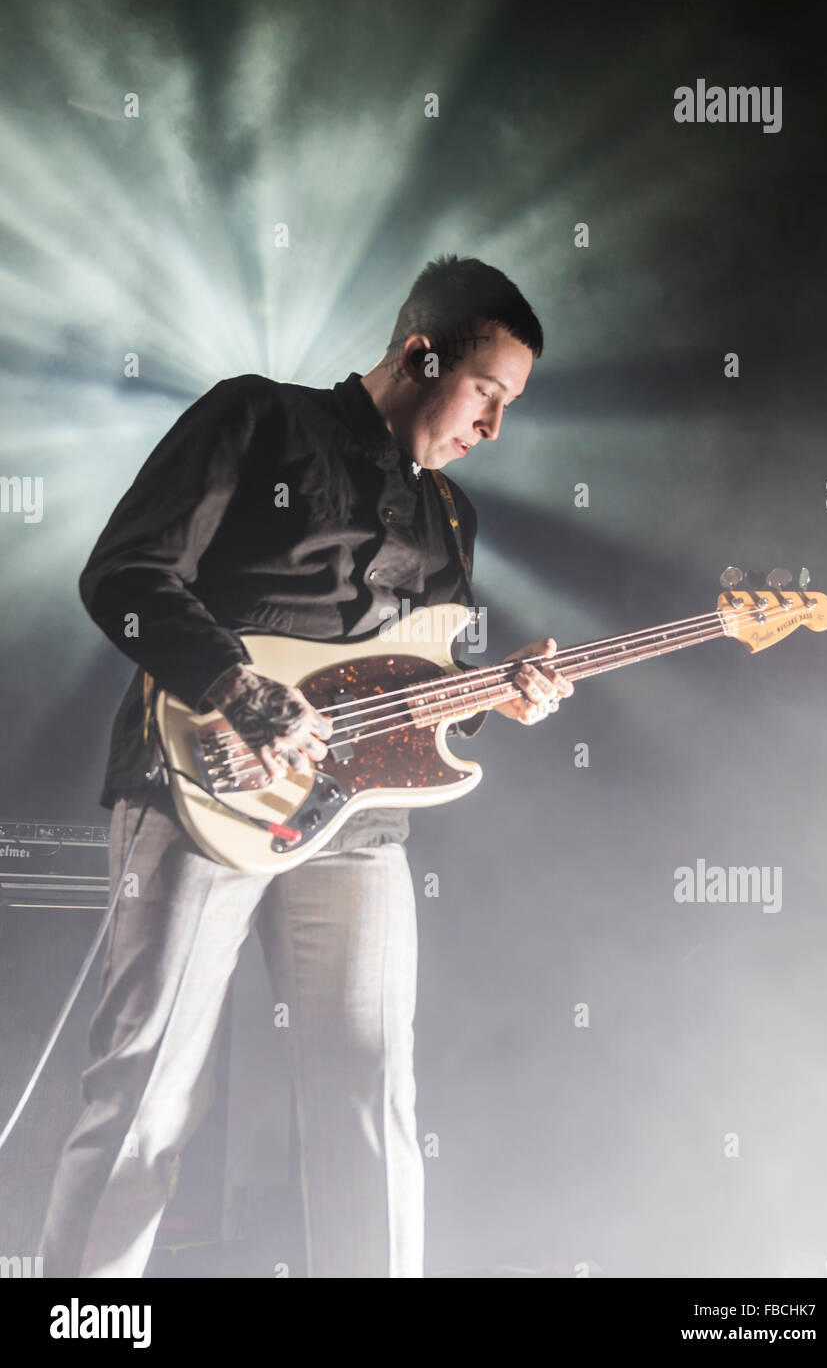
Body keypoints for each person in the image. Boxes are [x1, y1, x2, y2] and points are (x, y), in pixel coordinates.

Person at [37, 254, 573, 1278]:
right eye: (485, 394)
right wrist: (236, 688)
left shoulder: (449, 515)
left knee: (371, 1092)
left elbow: (431, 691)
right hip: (200, 787)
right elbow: (124, 575)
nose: (491, 428)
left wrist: (502, 694)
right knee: (147, 1089)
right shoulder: (257, 419)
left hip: (357, 826)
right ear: (422, 354)